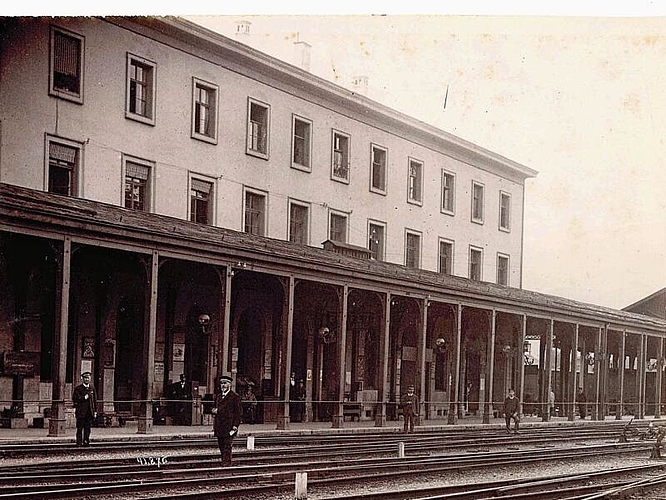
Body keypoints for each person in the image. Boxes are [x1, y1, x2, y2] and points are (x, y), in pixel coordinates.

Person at [213, 375, 242, 466]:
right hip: (219, 425)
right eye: (221, 383)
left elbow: (238, 412)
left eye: (225, 383)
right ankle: (224, 461)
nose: (223, 385)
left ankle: (227, 463)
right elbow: (215, 408)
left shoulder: (234, 397)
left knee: (227, 445)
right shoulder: (218, 396)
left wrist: (235, 425)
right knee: (221, 444)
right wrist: (213, 411)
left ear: (230, 384)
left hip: (229, 425)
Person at [73, 371, 97, 446]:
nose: (87, 379)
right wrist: (84, 397)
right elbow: (75, 398)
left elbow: (95, 400)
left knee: (88, 428)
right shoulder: (78, 388)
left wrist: (95, 411)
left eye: (88, 378)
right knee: (80, 428)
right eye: (85, 378)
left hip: (89, 412)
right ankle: (79, 442)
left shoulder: (92, 388)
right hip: (81, 412)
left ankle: (86, 441)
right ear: (82, 379)